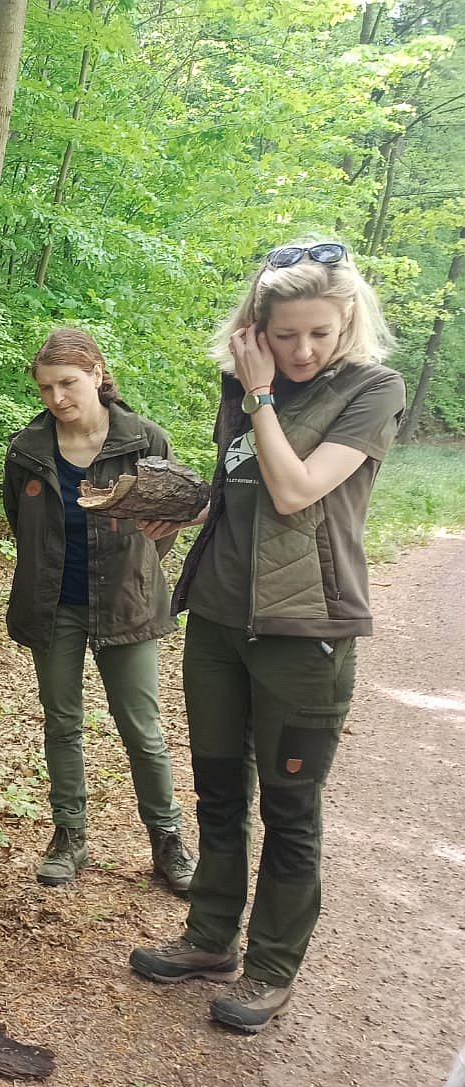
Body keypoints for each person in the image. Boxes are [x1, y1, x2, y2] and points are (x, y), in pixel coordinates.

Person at [130, 239, 406, 1033]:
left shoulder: (372, 390)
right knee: (219, 792)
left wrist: (260, 394)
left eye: (320, 332)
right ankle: (209, 937)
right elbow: (242, 490)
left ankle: (272, 966)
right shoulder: (241, 385)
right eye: (285, 335)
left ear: (347, 321)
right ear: (257, 329)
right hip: (219, 620)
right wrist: (178, 514)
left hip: (307, 631)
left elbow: (295, 491)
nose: (303, 350)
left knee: (291, 810)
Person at [2, 329, 197, 893]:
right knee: (61, 723)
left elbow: (165, 524)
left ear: (96, 373)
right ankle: (70, 836)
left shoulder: (145, 440)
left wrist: (132, 569)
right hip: (53, 604)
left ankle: (167, 839)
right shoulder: (27, 449)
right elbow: (21, 522)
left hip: (126, 602)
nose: (57, 398)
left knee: (142, 728)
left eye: (68, 383)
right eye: (46, 388)